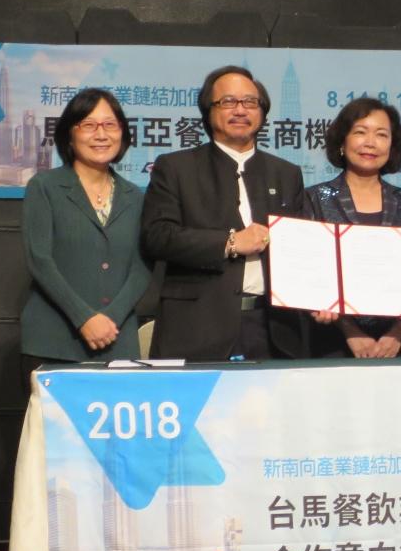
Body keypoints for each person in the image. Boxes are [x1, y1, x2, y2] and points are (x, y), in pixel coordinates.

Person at [140, 65, 304, 360]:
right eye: (228, 101)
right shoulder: (176, 167)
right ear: (208, 111)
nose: (240, 110)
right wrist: (229, 243)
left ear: (263, 112)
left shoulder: (287, 173)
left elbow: (300, 249)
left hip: (272, 329)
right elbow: (157, 236)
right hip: (197, 327)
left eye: (250, 102)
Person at [20, 88, 150, 387]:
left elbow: (143, 266)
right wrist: (84, 319)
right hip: (54, 341)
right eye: (89, 125)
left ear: (123, 134)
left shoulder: (136, 196)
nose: (100, 135)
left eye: (110, 125)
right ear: (69, 134)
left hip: (117, 341)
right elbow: (39, 260)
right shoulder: (45, 187)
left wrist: (110, 320)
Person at [301, 97, 401, 358]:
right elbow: (310, 274)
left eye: (381, 135)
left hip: (398, 343)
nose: (370, 143)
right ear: (342, 142)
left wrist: (398, 332)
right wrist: (351, 332)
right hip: (334, 342)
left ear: (392, 145)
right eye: (360, 132)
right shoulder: (313, 199)